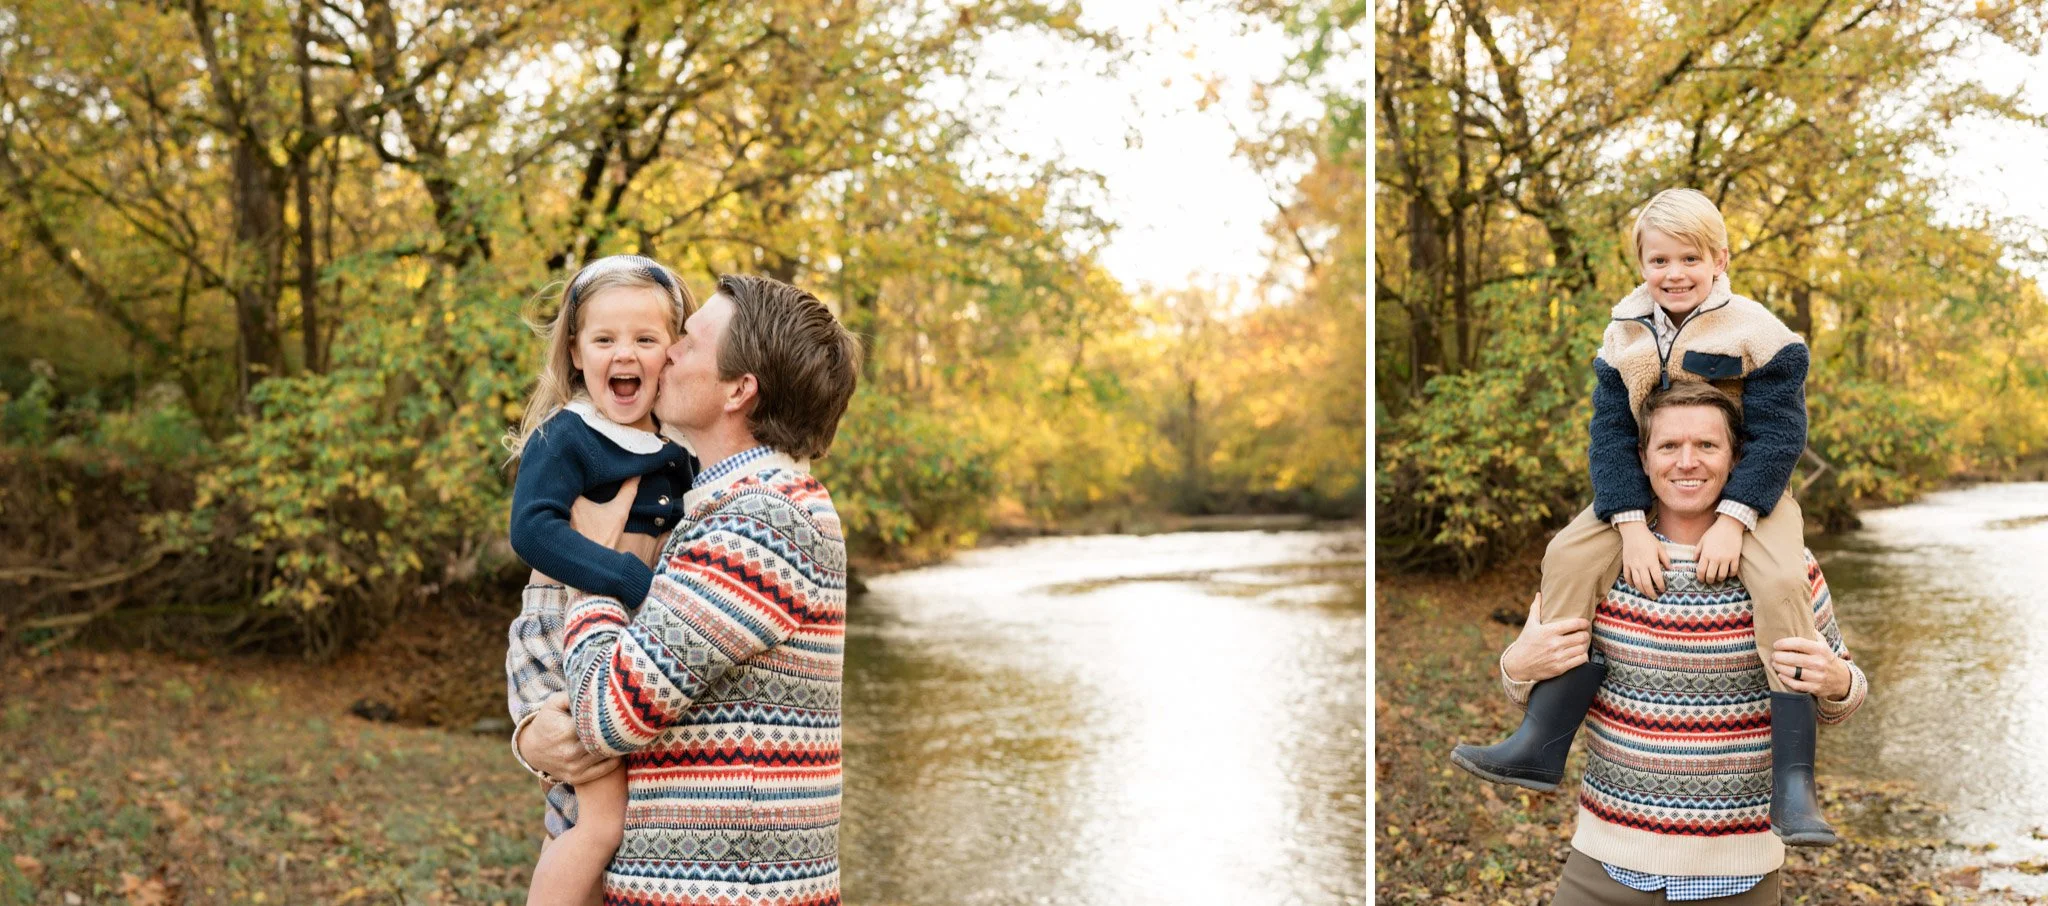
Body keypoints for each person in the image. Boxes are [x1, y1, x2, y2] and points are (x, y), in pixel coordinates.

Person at [1452, 188, 1841, 846]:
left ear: (1720, 259)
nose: (1675, 273)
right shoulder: (1623, 334)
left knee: (1778, 581)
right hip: (1642, 487)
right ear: (1640, 263)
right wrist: (1629, 524)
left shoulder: (1760, 333)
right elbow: (1609, 439)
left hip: (1749, 486)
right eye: (1659, 259)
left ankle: (1793, 782)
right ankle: (1541, 740)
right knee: (1568, 556)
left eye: (1690, 257)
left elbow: (1779, 441)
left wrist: (1735, 519)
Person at [510, 273, 859, 906]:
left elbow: (608, 714)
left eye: (685, 344)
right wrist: (535, 733)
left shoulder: (762, 522)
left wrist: (596, 561)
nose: (664, 353)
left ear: (739, 390)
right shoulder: (713, 508)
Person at [1495, 383, 1866, 904]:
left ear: (1736, 458)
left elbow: (1840, 697)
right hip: (1605, 865)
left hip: (1739, 875)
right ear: (1642, 459)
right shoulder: (1601, 564)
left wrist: (1838, 680)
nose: (1687, 463)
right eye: (1669, 446)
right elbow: (1529, 680)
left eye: (1707, 446)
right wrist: (1517, 664)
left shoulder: (1787, 567)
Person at [501, 254, 699, 906]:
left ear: (676, 349)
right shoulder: (570, 437)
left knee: (628, 828)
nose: (626, 354)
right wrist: (627, 580)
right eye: (605, 339)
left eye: (646, 339)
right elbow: (532, 529)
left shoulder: (677, 444)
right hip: (561, 628)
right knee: (597, 821)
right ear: (576, 352)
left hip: (626, 638)